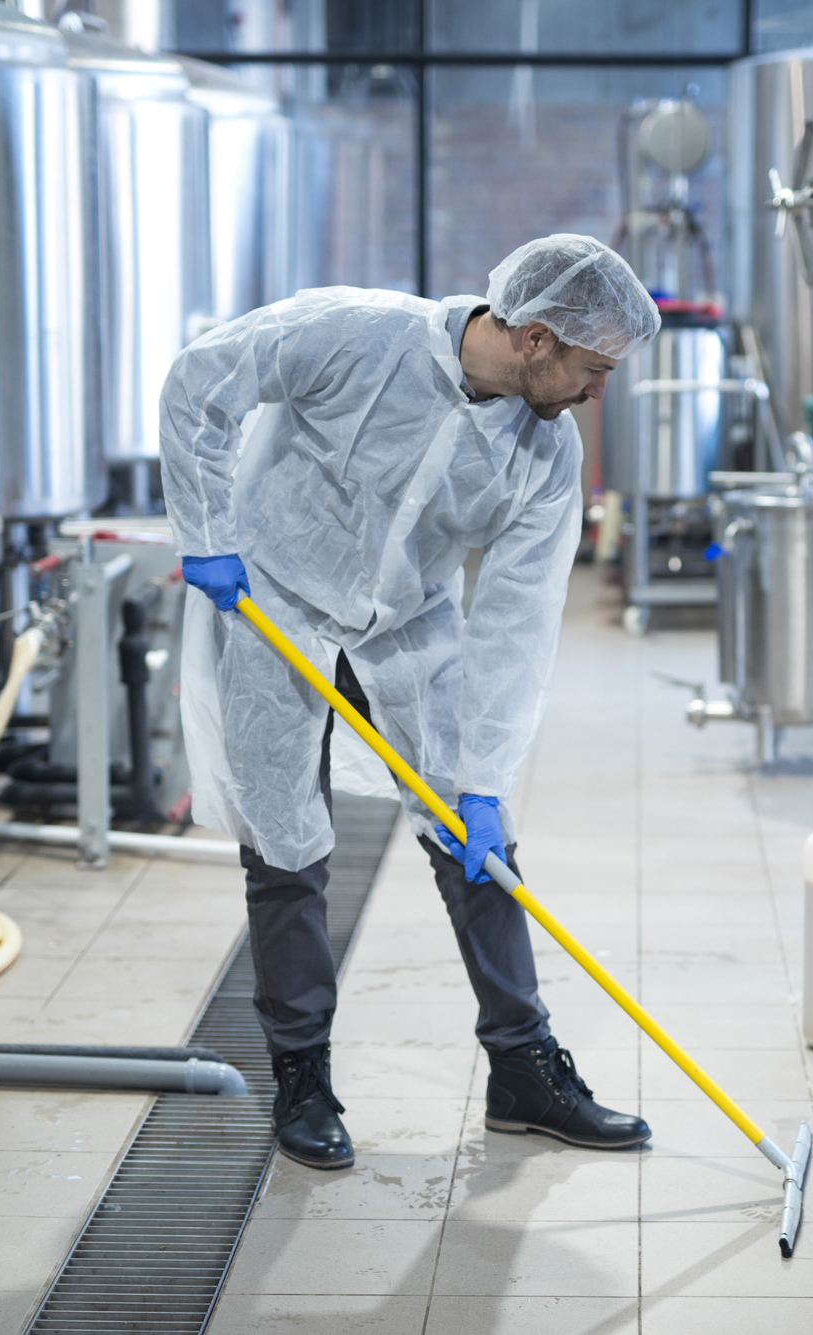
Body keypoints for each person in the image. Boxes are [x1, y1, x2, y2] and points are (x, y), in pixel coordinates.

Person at [160, 235, 661, 1170]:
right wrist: (207, 533)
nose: (598, 393)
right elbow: (202, 382)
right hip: (276, 596)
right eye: (594, 371)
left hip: (406, 624)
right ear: (539, 337)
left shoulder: (546, 454)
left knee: (480, 844)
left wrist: (486, 778)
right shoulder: (353, 333)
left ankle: (523, 1070)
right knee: (285, 845)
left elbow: (518, 623)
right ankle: (300, 1073)